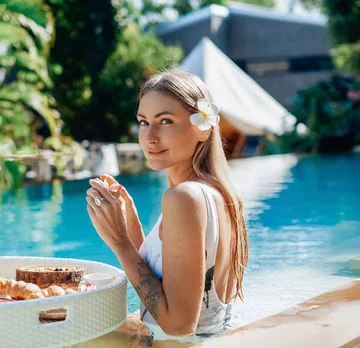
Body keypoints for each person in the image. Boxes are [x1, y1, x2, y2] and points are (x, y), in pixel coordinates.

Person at [85, 68, 248, 341]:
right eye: (144, 122)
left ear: (202, 130)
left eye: (166, 121)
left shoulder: (184, 198)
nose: (150, 138)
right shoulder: (217, 193)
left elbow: (179, 325)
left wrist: (120, 243)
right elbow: (174, 288)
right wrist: (133, 230)